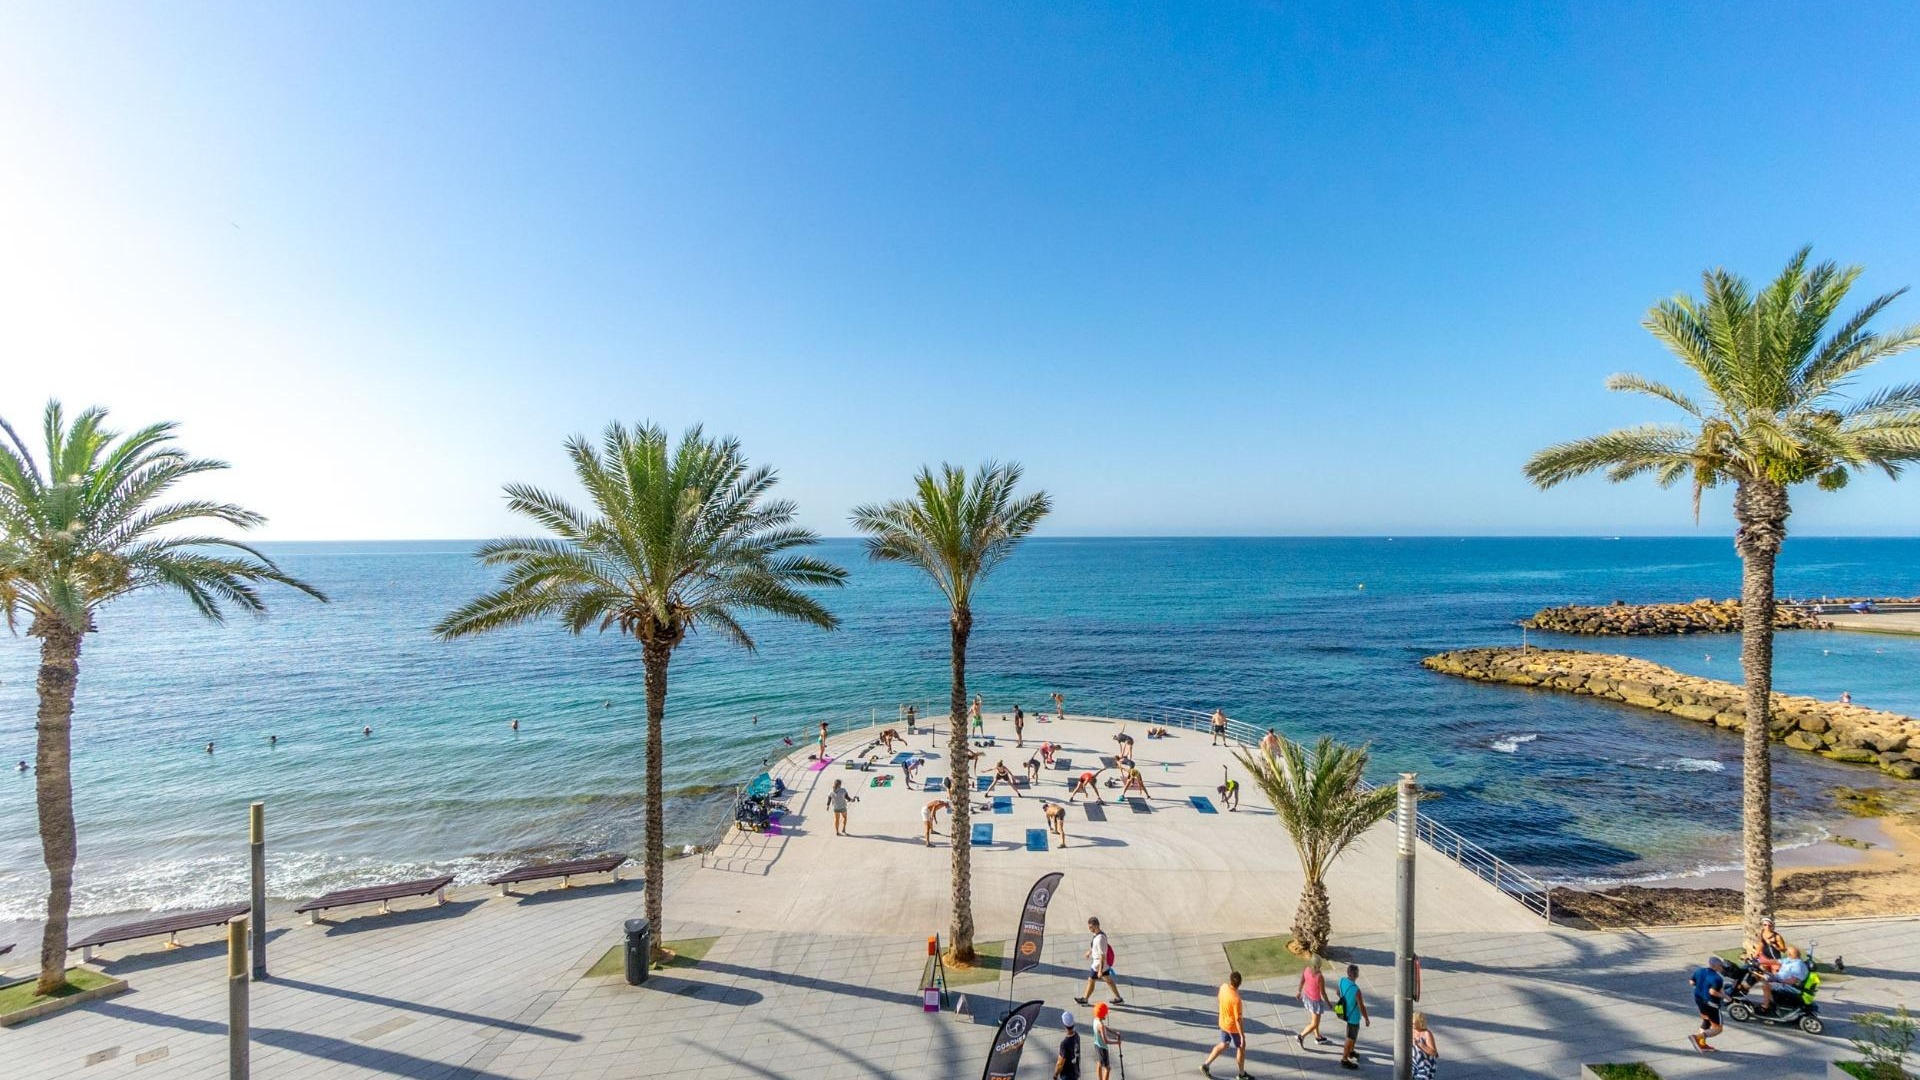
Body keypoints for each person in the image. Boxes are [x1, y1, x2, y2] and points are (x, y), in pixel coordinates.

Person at [1201, 970, 1247, 1079]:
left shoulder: (1223, 987)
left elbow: (1220, 999)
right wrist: (1242, 1036)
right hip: (1233, 1027)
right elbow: (1238, 1020)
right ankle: (1241, 1074)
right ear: (1240, 983)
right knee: (1241, 1048)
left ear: (1230, 980)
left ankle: (1206, 1065)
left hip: (1223, 1022)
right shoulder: (1236, 1000)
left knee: (1224, 1044)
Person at [1077, 917, 1124, 1004]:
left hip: (1098, 964)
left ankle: (1085, 999)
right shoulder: (1098, 935)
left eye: (1090, 927)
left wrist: (1099, 971)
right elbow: (1096, 947)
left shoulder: (1100, 939)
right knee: (1109, 981)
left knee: (1091, 979)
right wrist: (1090, 952)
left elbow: (1103, 955)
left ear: (1096, 926)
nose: (1089, 929)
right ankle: (1119, 998)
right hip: (1101, 964)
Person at [1689, 955, 1728, 1052]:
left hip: (1699, 1000)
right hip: (1711, 1004)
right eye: (1720, 966)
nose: (1721, 968)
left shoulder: (1700, 971)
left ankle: (1702, 1044)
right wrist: (1726, 997)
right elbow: (1712, 992)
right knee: (1718, 1028)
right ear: (1715, 966)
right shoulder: (1717, 978)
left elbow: (1691, 982)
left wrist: (1701, 986)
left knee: (1706, 1021)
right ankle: (1698, 1037)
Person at [1337, 963, 1369, 1070]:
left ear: (1347, 973)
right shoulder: (1356, 990)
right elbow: (1361, 1006)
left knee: (1352, 1035)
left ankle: (1351, 1052)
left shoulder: (1341, 981)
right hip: (1353, 1017)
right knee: (1350, 1038)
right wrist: (1366, 1019)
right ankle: (1344, 1059)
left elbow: (1338, 992)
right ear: (1357, 975)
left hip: (1344, 1012)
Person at [1762, 945, 1811, 1013]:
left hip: (1790, 986)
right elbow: (1776, 961)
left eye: (1787, 953)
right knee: (1761, 974)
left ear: (1789, 954)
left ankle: (1765, 1007)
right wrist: (1761, 962)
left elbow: (1793, 981)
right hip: (1780, 979)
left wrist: (1778, 981)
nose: (1786, 954)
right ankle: (1771, 1000)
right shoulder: (1790, 960)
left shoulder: (1798, 965)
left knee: (1766, 985)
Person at [1296, 955, 1329, 1048]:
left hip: (1307, 997)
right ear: (1317, 966)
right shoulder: (1320, 977)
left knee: (1315, 1020)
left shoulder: (1306, 969)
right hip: (1315, 1001)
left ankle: (1318, 1037)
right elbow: (1323, 992)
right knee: (1314, 1023)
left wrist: (1299, 991)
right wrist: (1329, 1003)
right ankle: (1301, 1036)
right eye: (1319, 966)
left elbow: (1302, 981)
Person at [1092, 1002, 1121, 1080]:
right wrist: (1117, 1042)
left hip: (1096, 1045)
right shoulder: (1100, 1025)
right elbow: (1106, 1041)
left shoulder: (1096, 1020)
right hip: (1102, 1048)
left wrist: (1114, 1032)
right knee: (1108, 1068)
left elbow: (1104, 1028)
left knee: (1099, 1063)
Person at [1054, 1010, 1083, 1080]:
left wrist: (1055, 1075)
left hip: (1067, 1076)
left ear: (1064, 1025)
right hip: (1075, 1072)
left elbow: (1060, 1063)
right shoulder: (1077, 1035)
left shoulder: (1064, 1044)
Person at [1411, 1013, 1439, 1080]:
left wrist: (1419, 1044)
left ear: (1419, 1023)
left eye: (1413, 1023)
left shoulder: (1427, 1033)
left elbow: (1433, 1052)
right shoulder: (1410, 1030)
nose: (1412, 1024)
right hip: (1413, 1062)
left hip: (1425, 1064)